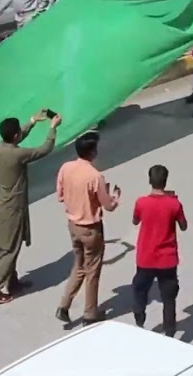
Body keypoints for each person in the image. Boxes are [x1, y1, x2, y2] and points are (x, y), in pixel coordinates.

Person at [0, 109, 62, 305]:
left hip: (3, 206)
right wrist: (52, 128)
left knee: (6, 246)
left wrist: (32, 121)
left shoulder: (0, 148)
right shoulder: (17, 154)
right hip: (12, 209)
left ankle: (12, 283)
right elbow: (44, 149)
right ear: (14, 136)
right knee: (9, 249)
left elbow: (17, 137)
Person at [56, 131, 121, 326]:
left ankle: (64, 304)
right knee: (92, 271)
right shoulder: (95, 176)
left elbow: (60, 195)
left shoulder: (66, 168)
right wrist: (114, 198)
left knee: (79, 265)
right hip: (91, 228)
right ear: (92, 152)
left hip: (73, 225)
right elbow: (107, 206)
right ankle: (90, 312)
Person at [131, 165, 187, 337]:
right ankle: (170, 332)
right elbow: (183, 226)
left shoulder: (141, 202)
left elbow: (135, 221)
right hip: (167, 259)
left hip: (146, 257)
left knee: (139, 288)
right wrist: (174, 200)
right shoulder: (174, 204)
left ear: (150, 180)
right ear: (166, 181)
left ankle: (139, 316)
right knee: (169, 298)